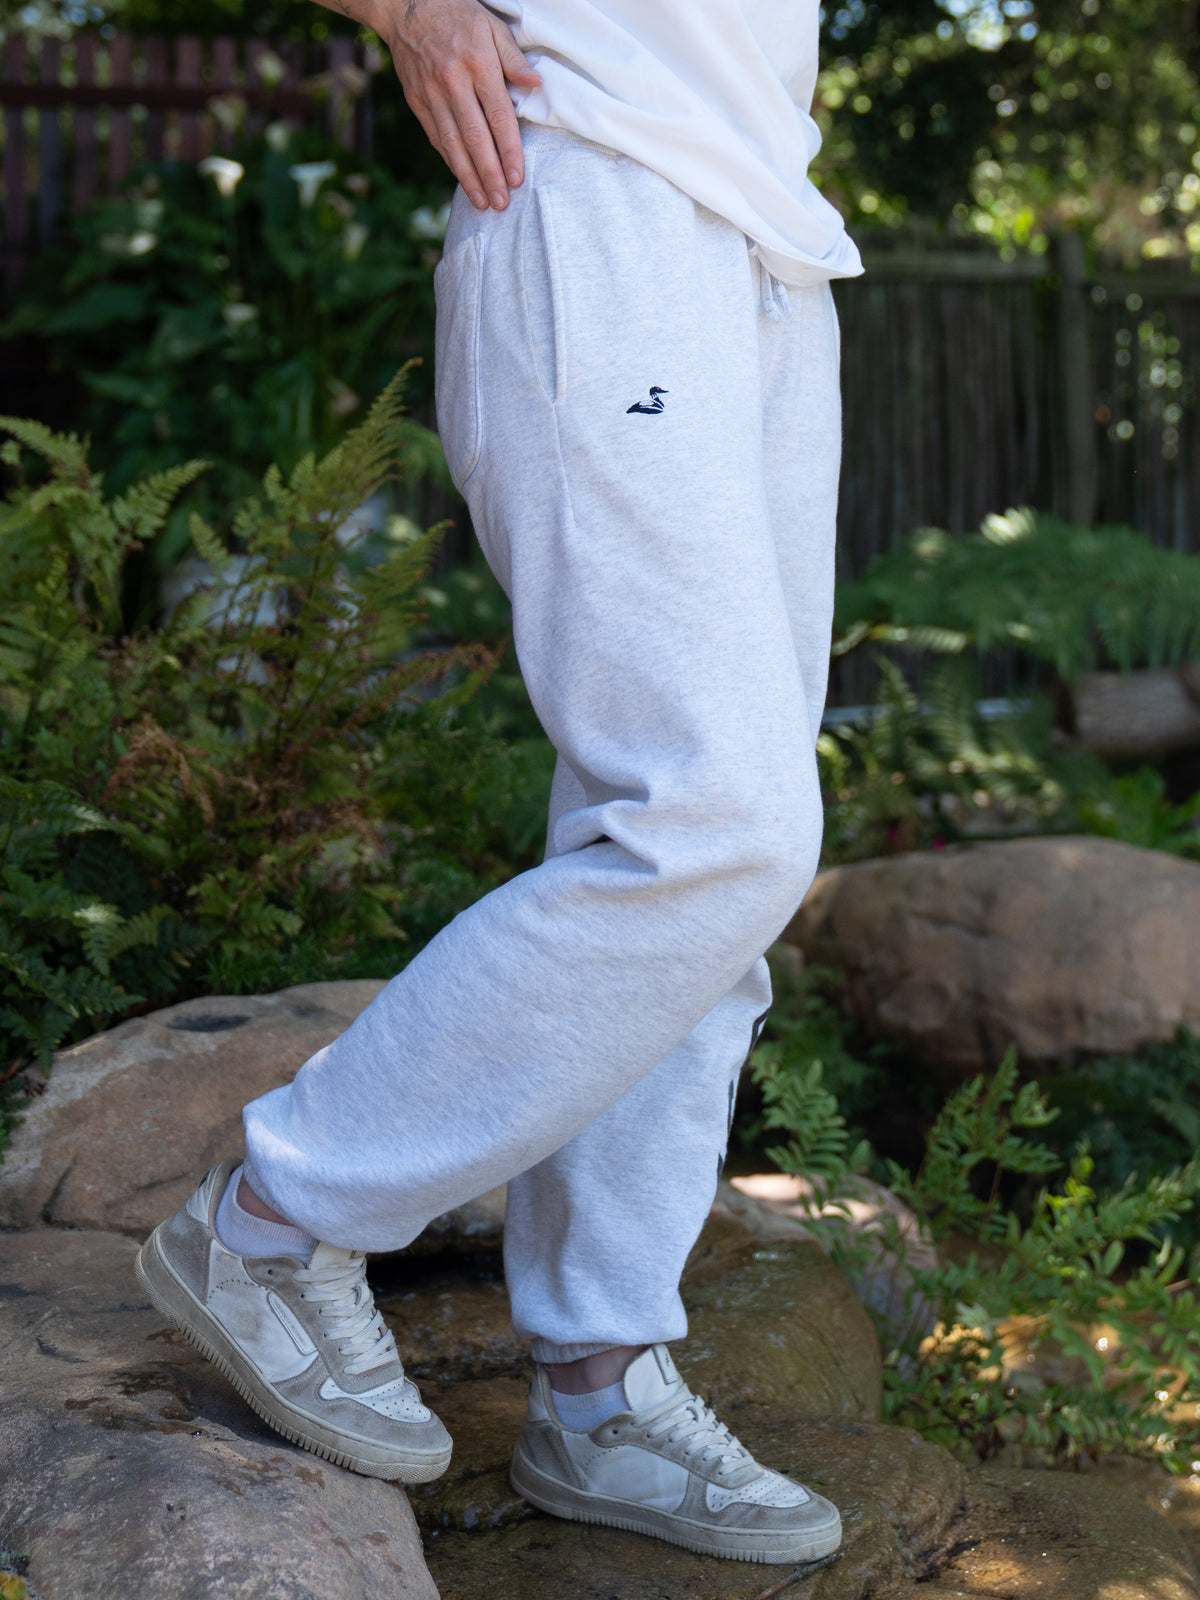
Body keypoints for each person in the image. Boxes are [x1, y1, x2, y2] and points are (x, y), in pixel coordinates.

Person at [137, 0, 862, 1567]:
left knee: (706, 868)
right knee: (714, 825)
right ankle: (276, 1221)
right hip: (598, 196)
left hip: (764, 236)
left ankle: (599, 1384)